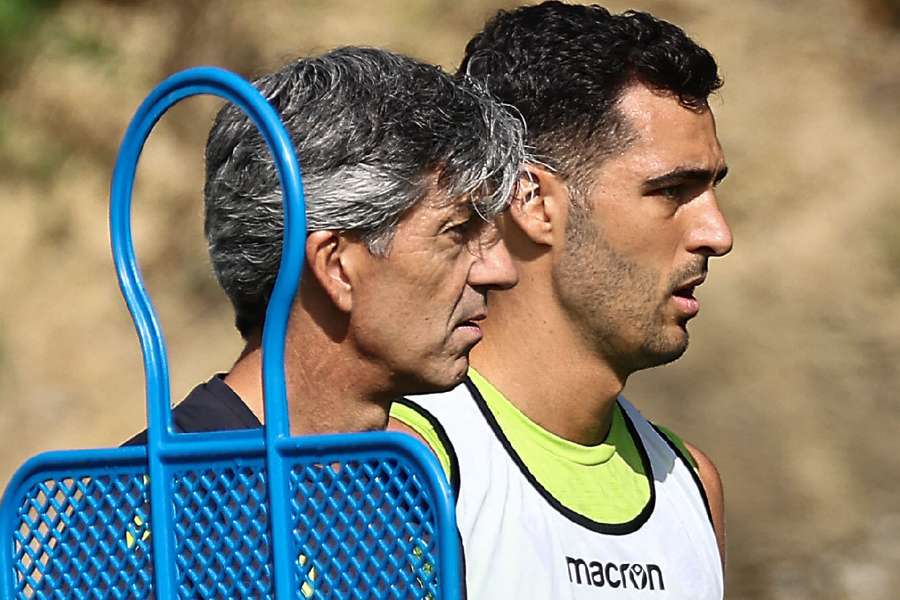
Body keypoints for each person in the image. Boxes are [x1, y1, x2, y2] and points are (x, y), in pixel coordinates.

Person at [389, 3, 733, 598]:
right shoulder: (404, 467)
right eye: (671, 190)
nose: (718, 234)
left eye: (711, 189)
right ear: (532, 200)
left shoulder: (694, 486)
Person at [125, 46, 523, 444]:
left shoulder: (400, 483)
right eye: (456, 231)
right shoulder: (162, 495)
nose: (500, 270)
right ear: (335, 267)